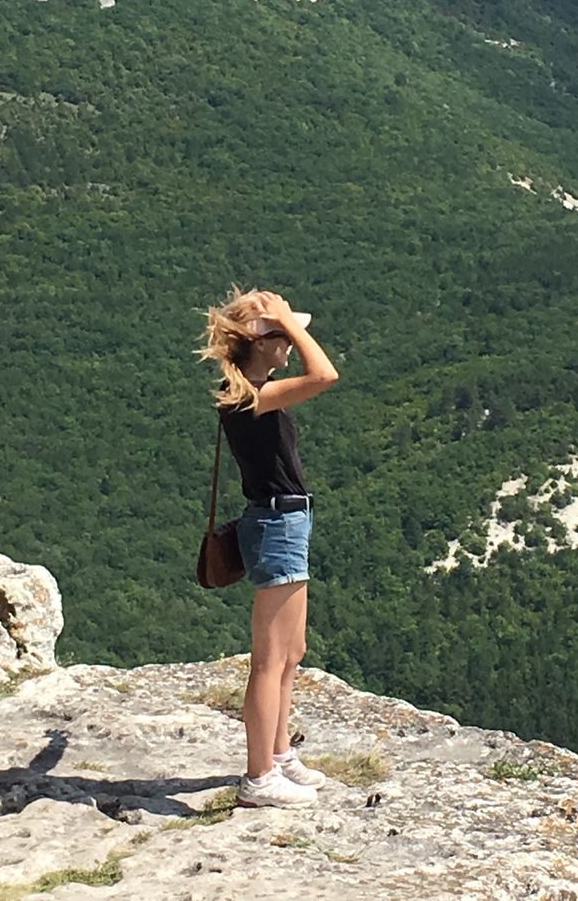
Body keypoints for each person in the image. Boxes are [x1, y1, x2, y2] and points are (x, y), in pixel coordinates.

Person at [196, 285, 339, 808]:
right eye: (279, 337)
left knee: (291, 654)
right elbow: (325, 375)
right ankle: (258, 778)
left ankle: (279, 755)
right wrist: (293, 327)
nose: (287, 346)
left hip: (288, 521)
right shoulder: (246, 399)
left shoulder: (254, 390)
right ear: (260, 343)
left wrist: (283, 323)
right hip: (276, 524)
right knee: (268, 660)